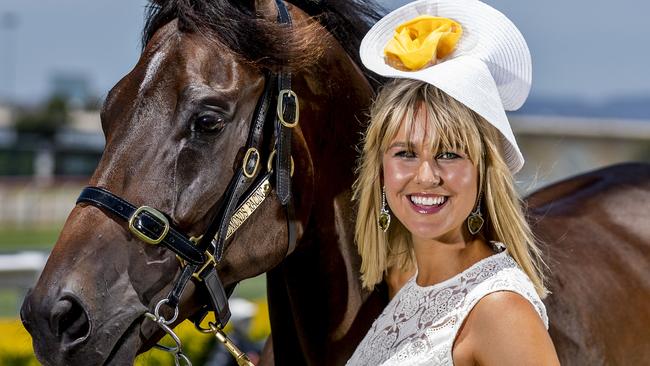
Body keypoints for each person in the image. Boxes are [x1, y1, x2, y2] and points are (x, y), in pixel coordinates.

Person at [347, 0, 561, 364]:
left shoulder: (500, 309)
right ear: (380, 171)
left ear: (484, 172)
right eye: (405, 153)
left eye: (449, 154)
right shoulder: (409, 288)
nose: (426, 176)